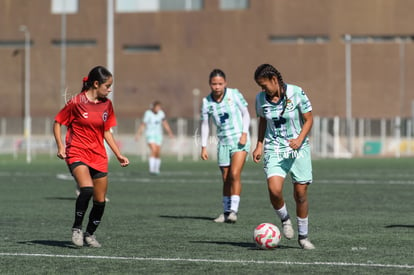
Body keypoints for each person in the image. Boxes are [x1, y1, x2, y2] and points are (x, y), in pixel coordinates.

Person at [53, 66, 129, 248]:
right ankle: (77, 229)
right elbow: (57, 123)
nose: (110, 89)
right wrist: (61, 146)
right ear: (96, 84)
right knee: (86, 189)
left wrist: (118, 154)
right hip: (77, 151)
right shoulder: (76, 102)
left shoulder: (107, 105)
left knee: (100, 201)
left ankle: (90, 234)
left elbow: (106, 132)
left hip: (98, 155)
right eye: (107, 85)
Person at [252, 63, 315, 249]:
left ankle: (303, 237)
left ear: (274, 80)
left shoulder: (296, 92)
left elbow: (309, 119)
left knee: (300, 194)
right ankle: (285, 220)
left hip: (298, 149)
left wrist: (299, 139)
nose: (263, 90)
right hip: (274, 148)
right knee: (274, 189)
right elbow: (262, 120)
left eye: (264, 85)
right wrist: (259, 145)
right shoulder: (260, 99)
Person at [200, 69, 251, 223]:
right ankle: (226, 211)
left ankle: (234, 212)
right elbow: (205, 124)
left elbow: (246, 113)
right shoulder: (206, 102)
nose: (217, 87)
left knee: (235, 174)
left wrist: (244, 133)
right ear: (210, 84)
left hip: (239, 141)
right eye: (214, 84)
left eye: (220, 83)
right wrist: (203, 146)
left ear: (225, 83)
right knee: (225, 178)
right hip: (223, 143)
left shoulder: (234, 94)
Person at [135, 101, 174, 175]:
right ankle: (151, 169)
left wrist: (170, 133)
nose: (158, 109)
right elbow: (143, 124)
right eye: (157, 107)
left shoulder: (161, 113)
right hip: (150, 134)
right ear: (153, 107)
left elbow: (165, 123)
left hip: (158, 135)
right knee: (154, 150)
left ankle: (156, 169)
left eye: (159, 107)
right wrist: (138, 134)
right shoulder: (148, 113)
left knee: (158, 152)